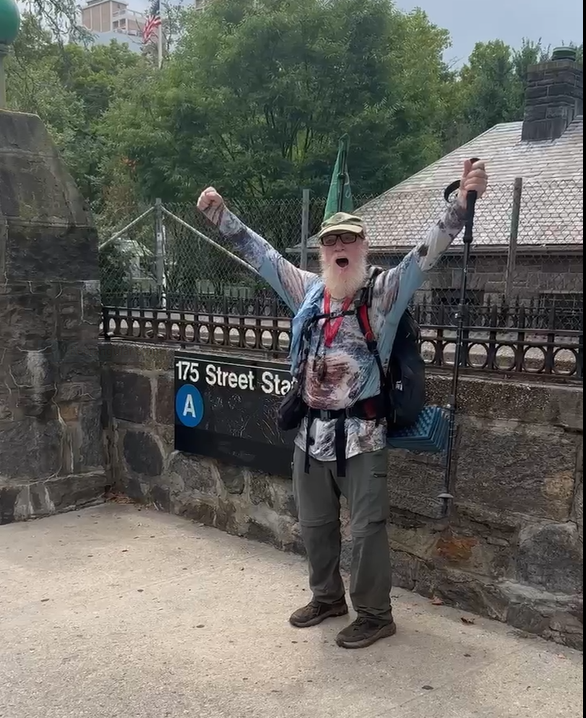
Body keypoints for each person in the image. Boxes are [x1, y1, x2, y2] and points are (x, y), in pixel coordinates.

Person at [197, 160, 489, 649]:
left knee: (368, 530)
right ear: (321, 252)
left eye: (347, 240)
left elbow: (426, 254)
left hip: (363, 436)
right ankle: (327, 597)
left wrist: (460, 204)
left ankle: (376, 614)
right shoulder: (309, 294)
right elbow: (262, 256)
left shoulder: (382, 295)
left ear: (363, 246)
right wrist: (221, 216)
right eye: (330, 242)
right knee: (314, 525)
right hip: (312, 436)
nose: (339, 248)